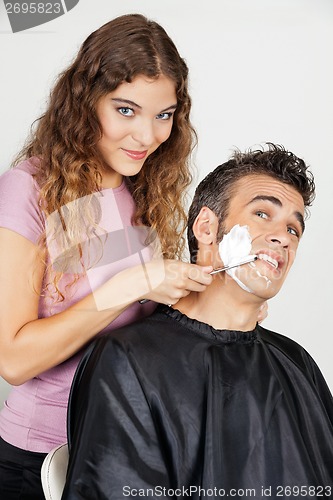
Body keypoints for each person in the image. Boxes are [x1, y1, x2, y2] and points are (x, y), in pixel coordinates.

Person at [0, 13, 215, 499]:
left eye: (164, 115)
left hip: (128, 449)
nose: (147, 136)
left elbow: (140, 326)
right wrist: (134, 283)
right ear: (84, 101)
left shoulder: (145, 191)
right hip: (42, 461)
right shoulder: (29, 191)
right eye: (126, 110)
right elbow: (13, 359)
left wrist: (213, 293)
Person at [62, 144, 333, 499]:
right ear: (206, 227)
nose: (283, 237)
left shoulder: (295, 361)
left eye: (293, 230)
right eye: (263, 214)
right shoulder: (129, 361)